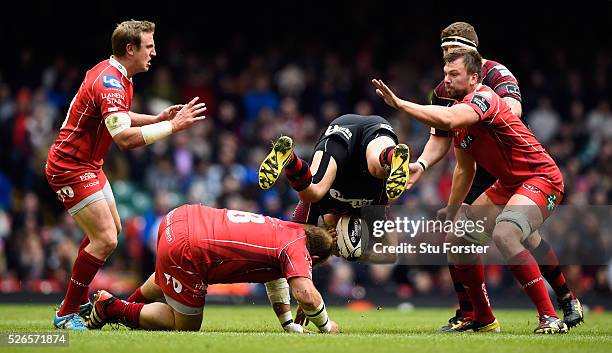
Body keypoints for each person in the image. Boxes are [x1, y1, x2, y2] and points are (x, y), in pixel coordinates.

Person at [372, 49, 570, 334]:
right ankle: (483, 318)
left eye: (454, 75)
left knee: (506, 233)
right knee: (458, 237)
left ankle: (550, 317)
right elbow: (466, 169)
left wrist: (400, 104)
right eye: (445, 75)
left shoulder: (485, 97)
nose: (447, 81)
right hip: (509, 185)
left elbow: (450, 119)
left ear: (474, 77)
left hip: (541, 178)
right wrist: (453, 209)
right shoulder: (461, 120)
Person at [45, 20, 207, 330]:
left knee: (110, 231)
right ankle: (66, 313)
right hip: (70, 166)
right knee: (104, 239)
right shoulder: (110, 82)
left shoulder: (116, 74)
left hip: (88, 164)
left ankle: (75, 301)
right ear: (130, 49)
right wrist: (173, 126)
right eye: (149, 46)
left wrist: (156, 117)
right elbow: (124, 139)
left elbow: (119, 116)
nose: (154, 52)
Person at [256, 114, 409, 327]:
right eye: (337, 242)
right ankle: (393, 157)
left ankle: (290, 159)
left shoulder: (315, 213)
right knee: (377, 172)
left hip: (345, 132)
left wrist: (307, 296)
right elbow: (390, 248)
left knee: (313, 191)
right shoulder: (375, 212)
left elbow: (300, 257)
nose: (334, 238)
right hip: (368, 130)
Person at [86, 204, 340, 333]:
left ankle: (129, 307)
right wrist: (326, 326)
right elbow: (305, 293)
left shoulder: (287, 228)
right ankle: (113, 308)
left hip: (179, 216)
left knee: (171, 273)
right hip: (187, 248)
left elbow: (274, 278)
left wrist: (286, 322)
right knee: (186, 326)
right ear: (314, 255)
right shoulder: (297, 247)